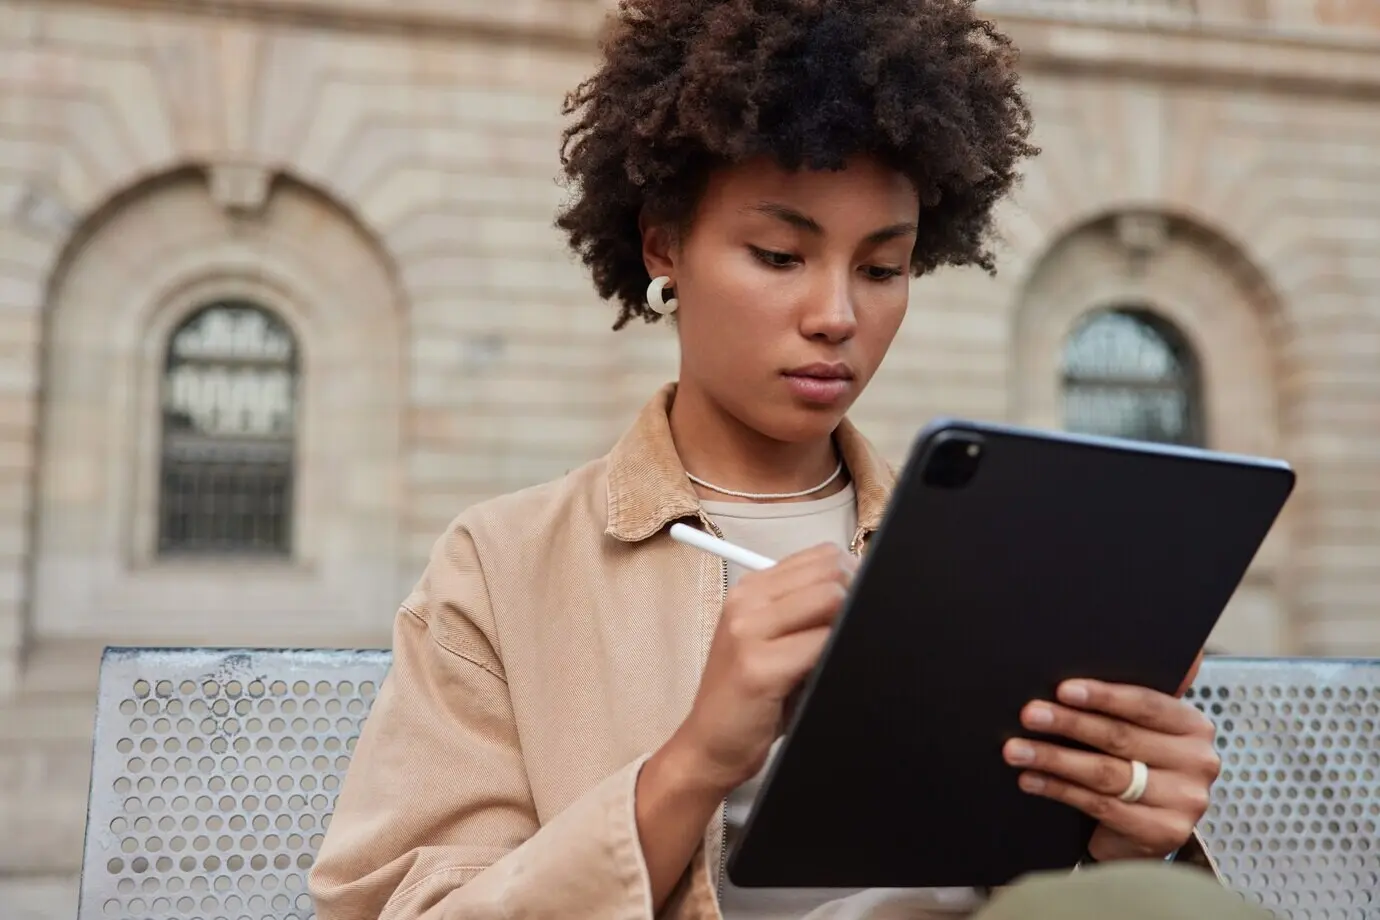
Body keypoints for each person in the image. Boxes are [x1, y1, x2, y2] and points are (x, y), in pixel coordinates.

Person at [309, 1, 1229, 917]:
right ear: (663, 243)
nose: (837, 314)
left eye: (881, 269)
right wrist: (693, 763)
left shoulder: (987, 556)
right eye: (780, 254)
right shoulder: (504, 566)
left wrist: (1131, 833)